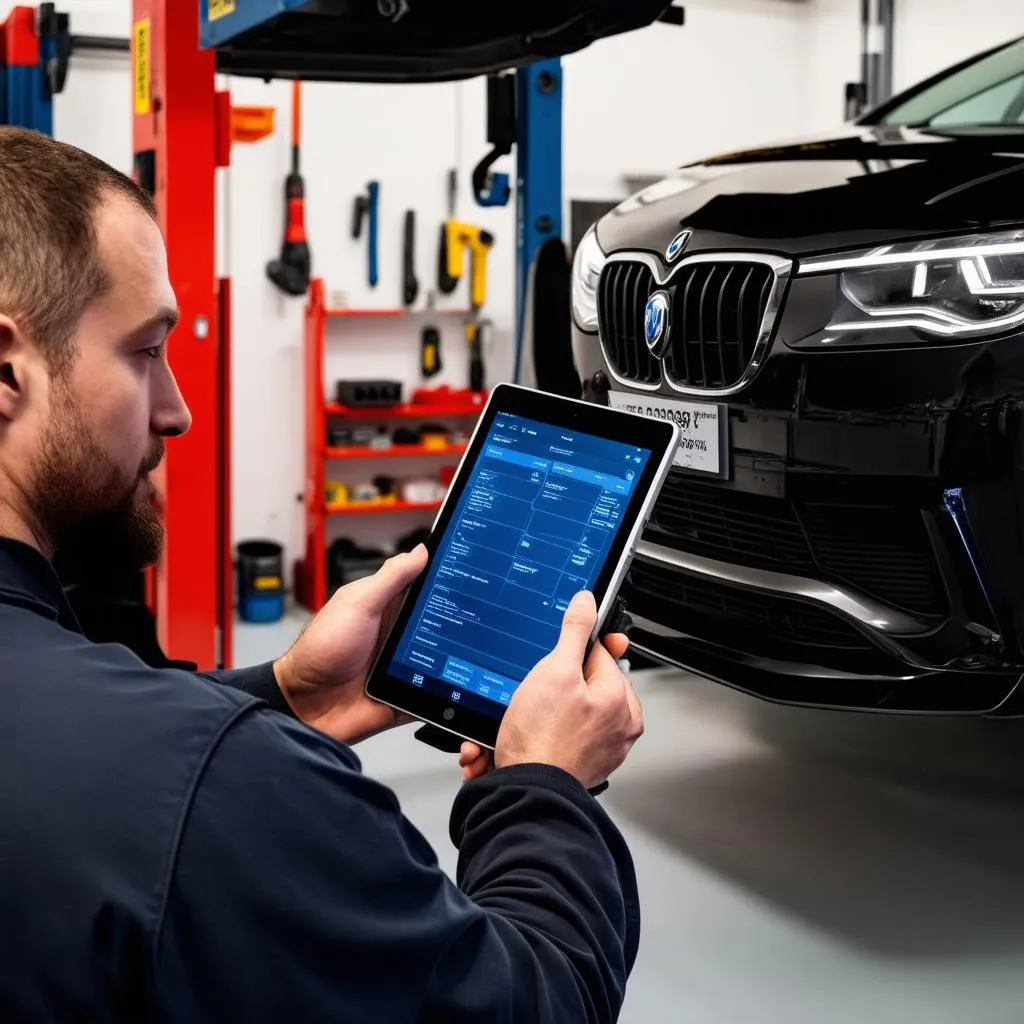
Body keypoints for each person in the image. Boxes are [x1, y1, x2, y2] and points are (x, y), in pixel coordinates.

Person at [0, 126, 645, 1023]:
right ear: (5, 368)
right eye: (146, 351)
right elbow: (537, 1001)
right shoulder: (225, 793)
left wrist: (285, 695)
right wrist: (542, 789)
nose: (177, 409)